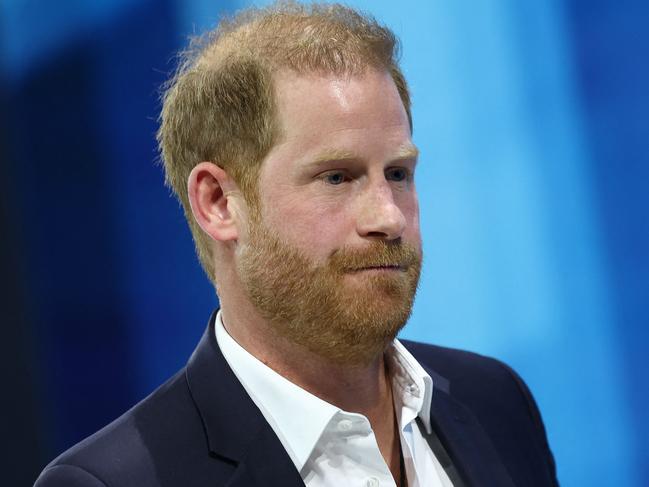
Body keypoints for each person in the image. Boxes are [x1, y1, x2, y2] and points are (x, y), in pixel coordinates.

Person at [35, 2, 559, 486]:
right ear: (218, 202)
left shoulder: (495, 401)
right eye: (337, 177)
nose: (388, 216)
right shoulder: (114, 482)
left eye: (397, 173)